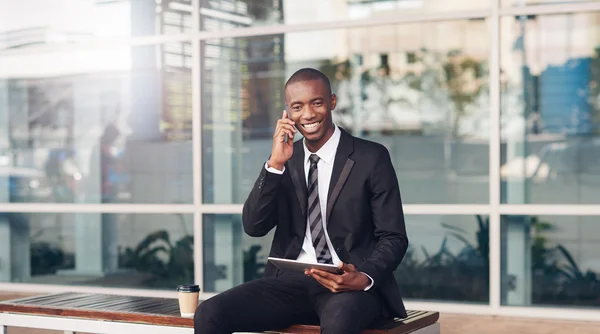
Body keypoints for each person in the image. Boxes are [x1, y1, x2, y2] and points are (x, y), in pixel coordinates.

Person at [194, 68, 409, 334]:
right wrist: (274, 165)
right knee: (210, 313)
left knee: (339, 321)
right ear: (287, 112)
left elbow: (394, 236)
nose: (307, 115)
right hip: (289, 284)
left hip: (346, 285)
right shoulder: (286, 160)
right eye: (297, 106)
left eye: (316, 103)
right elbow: (254, 226)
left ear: (331, 102)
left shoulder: (371, 157)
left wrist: (363, 277)